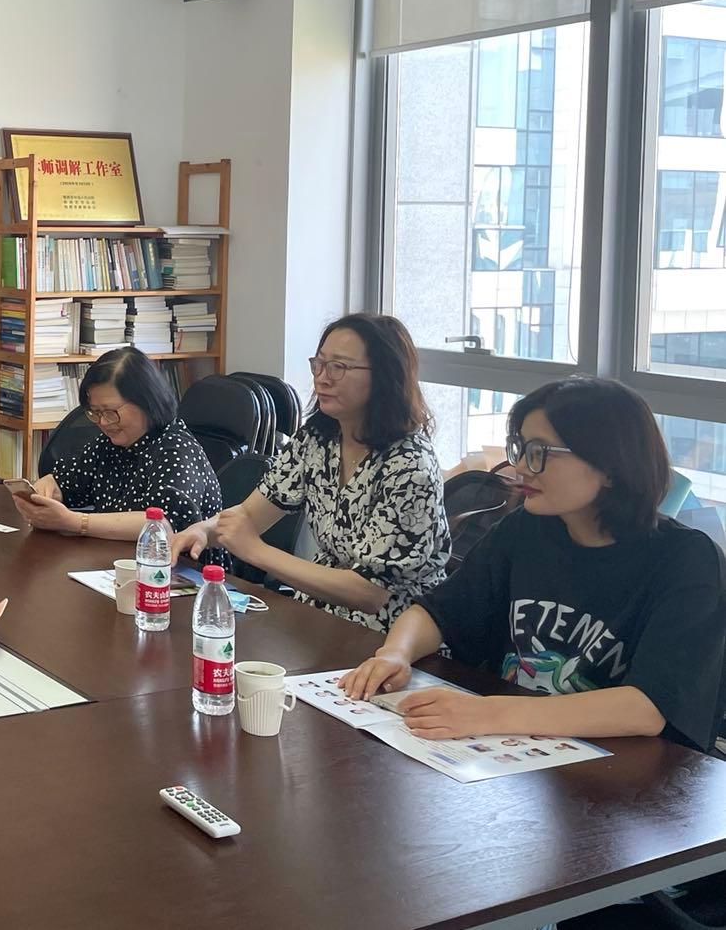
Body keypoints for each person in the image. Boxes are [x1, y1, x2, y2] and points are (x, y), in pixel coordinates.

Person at [341, 377, 726, 750]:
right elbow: (439, 611)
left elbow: (648, 708)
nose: (522, 466)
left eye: (541, 452)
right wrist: (396, 652)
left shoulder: (687, 560)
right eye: (521, 448)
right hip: (516, 754)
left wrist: (488, 713)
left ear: (610, 467)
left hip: (624, 773)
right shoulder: (525, 528)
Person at [175, 313, 448, 629]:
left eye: (338, 367)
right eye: (319, 364)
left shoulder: (410, 467)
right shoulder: (318, 439)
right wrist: (203, 531)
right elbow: (250, 515)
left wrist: (257, 551)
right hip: (322, 615)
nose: (322, 378)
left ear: (385, 376)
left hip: (393, 634)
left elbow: (370, 593)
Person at [11, 346, 222, 541]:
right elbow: (66, 482)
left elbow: (162, 525)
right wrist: (48, 489)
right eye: (95, 412)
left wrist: (75, 522)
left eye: (110, 412)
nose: (103, 422)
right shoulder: (109, 445)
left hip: (179, 566)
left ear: (146, 402)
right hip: (117, 558)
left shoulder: (176, 450)